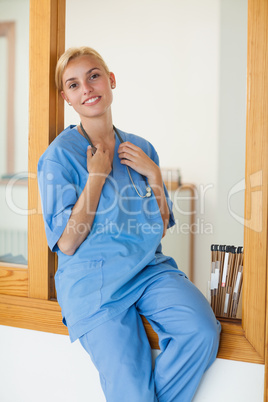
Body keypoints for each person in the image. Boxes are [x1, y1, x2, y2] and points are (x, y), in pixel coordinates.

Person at [38, 46, 221, 402]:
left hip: (149, 271)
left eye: (93, 76)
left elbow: (162, 223)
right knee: (132, 392)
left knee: (201, 331)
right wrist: (97, 176)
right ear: (66, 98)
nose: (87, 88)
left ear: (111, 80)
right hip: (96, 285)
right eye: (73, 85)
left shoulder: (141, 147)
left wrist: (154, 175)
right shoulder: (58, 157)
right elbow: (67, 244)